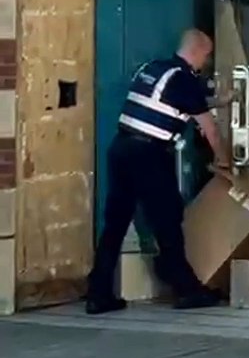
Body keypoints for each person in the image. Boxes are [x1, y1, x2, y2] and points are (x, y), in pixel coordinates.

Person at [85, 29, 233, 315]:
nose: (207, 59)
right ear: (199, 50)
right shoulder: (184, 78)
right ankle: (187, 290)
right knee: (167, 221)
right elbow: (210, 129)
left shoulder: (153, 69)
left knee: (115, 225)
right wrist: (224, 163)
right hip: (149, 155)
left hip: (123, 147)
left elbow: (177, 101)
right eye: (207, 54)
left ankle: (98, 293)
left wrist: (218, 101)